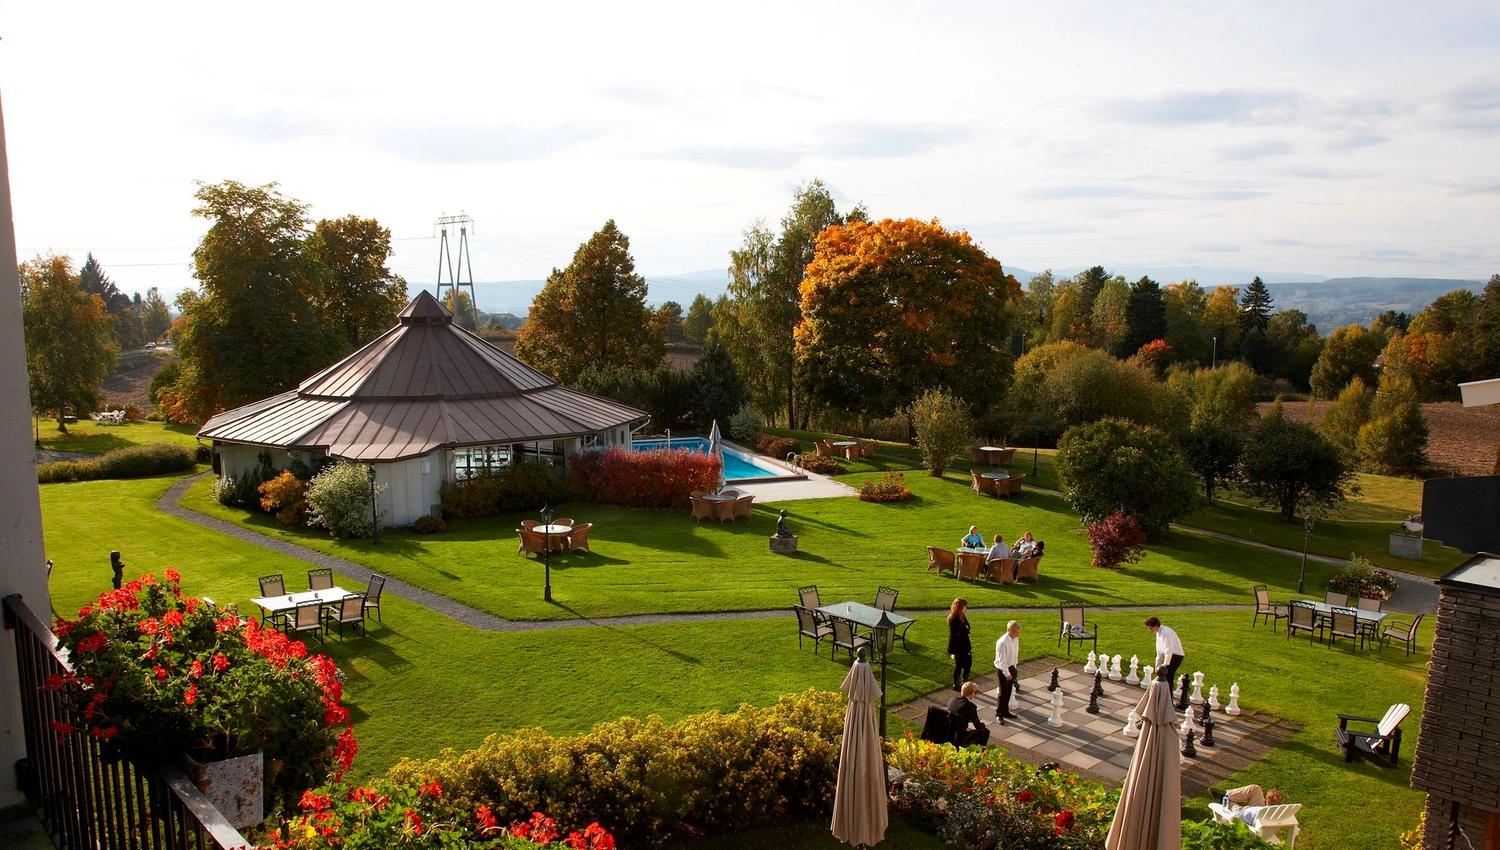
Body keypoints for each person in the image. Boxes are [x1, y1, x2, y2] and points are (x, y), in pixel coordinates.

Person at [1218, 785, 1286, 828]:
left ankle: (1225, 797)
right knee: (1255, 789)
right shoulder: (1282, 812)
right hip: (1262, 811)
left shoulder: (1242, 814)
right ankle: (1228, 795)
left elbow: (1238, 815)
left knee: (1232, 804)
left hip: (1244, 814)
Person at [947, 681, 990, 747]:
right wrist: (982, 723)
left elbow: (959, 712)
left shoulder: (952, 700)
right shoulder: (971, 706)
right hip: (960, 736)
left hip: (948, 731)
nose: (975, 694)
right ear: (972, 693)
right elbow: (978, 726)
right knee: (985, 732)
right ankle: (980, 751)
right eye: (975, 692)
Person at [993, 620, 1020, 723]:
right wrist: (1007, 674)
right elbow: (1001, 661)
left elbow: (1015, 654)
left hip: (1011, 667)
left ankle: (1005, 711)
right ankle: (998, 713)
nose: (1018, 634)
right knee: (1003, 692)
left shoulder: (1015, 639)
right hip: (1003, 669)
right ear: (1010, 630)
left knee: (1009, 691)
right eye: (1016, 632)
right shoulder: (1002, 642)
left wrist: (1014, 668)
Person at [1146, 616, 1186, 687]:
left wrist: (1164, 665)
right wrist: (1157, 667)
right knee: (1165, 677)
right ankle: (1165, 696)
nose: (1148, 630)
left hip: (1176, 656)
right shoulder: (1158, 633)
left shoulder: (1165, 632)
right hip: (1170, 655)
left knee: (1167, 677)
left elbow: (1168, 650)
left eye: (1150, 627)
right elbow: (1159, 652)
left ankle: (1168, 697)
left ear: (1155, 626)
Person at [947, 598, 972, 691]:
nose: (966, 608)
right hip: (958, 647)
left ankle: (965, 683)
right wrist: (965, 629)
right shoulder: (953, 619)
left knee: (968, 664)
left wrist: (966, 629)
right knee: (959, 665)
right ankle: (956, 684)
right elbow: (961, 631)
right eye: (964, 606)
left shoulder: (962, 615)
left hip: (965, 644)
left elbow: (968, 627)